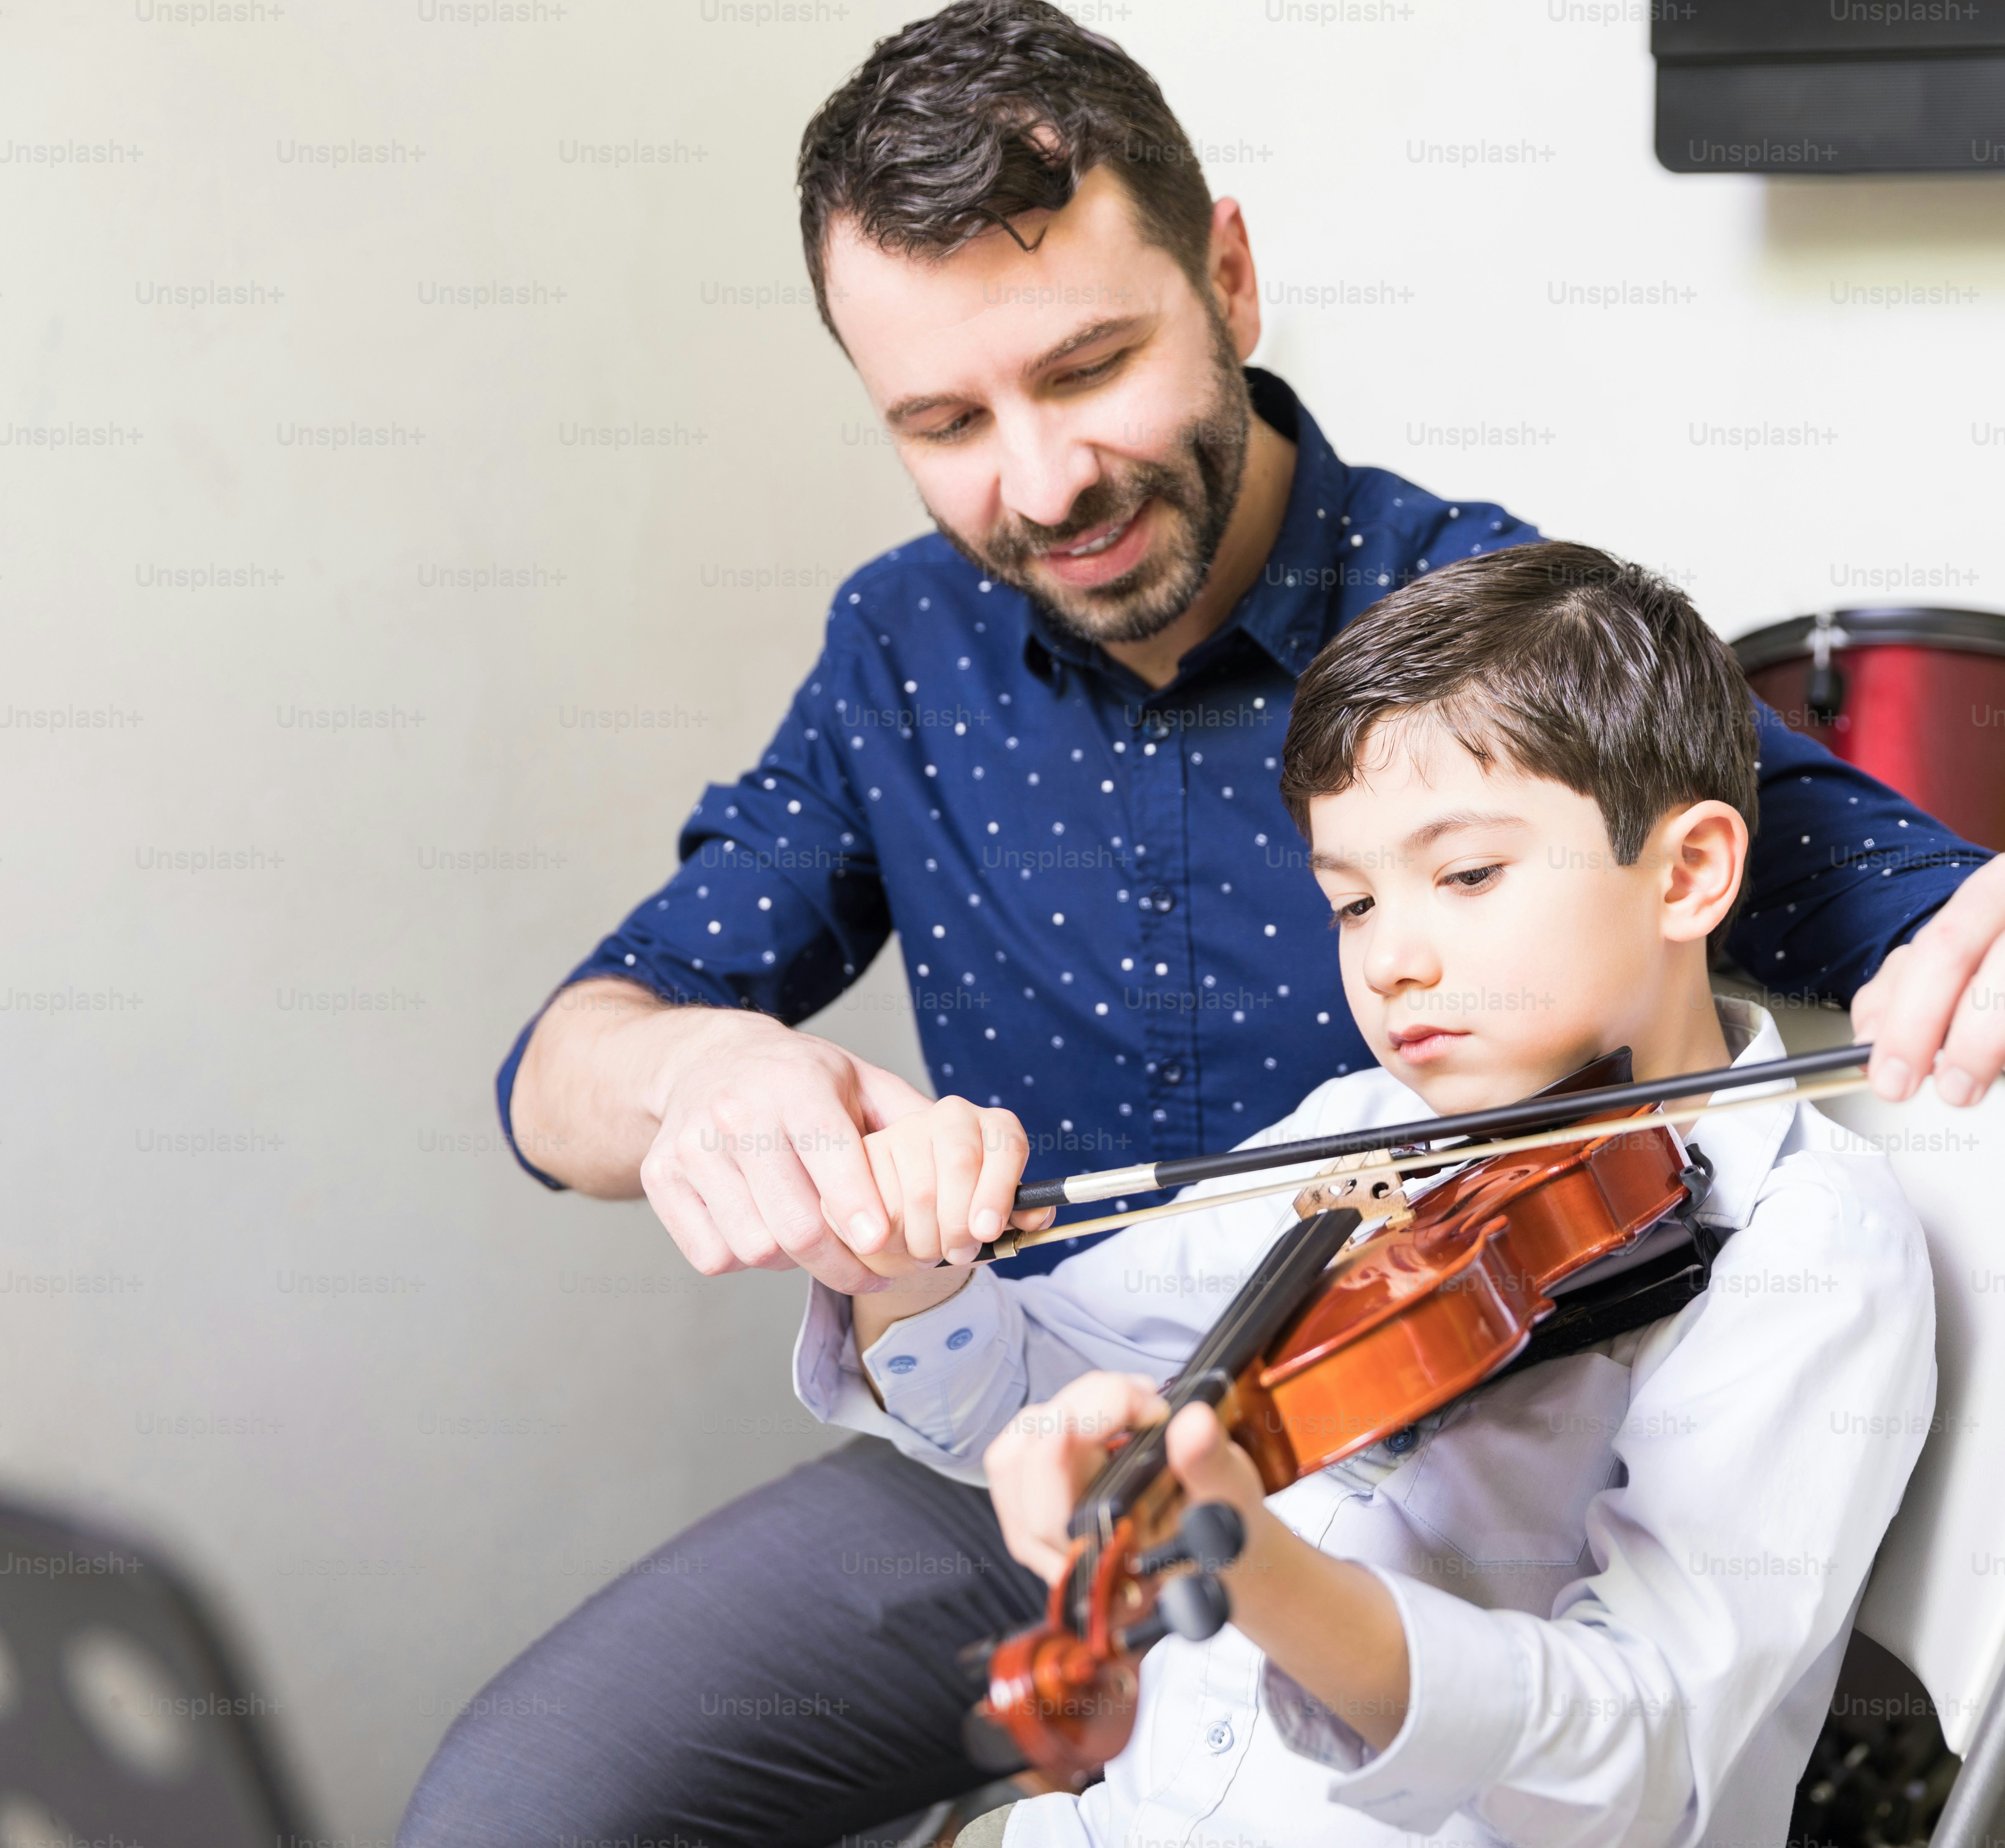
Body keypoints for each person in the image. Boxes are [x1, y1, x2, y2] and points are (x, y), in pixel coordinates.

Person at [401, 0, 2005, 1847]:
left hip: (1444, 1501)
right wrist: (708, 1082)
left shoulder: (1481, 626)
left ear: (1232, 278)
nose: (1041, 485)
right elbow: (564, 1071)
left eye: (1092, 365)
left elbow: (1933, 906)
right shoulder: (902, 646)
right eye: (946, 422)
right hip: (1047, 1425)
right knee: (515, 1809)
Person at [829, 541, 1935, 1848]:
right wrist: (906, 1268)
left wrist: (1261, 1567)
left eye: (1466, 876)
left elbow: (1638, 1763)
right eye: (1351, 902)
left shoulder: (1806, 1243)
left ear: (1687, 873)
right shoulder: (1362, 1140)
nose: (1391, 960)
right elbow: (1014, 1389)